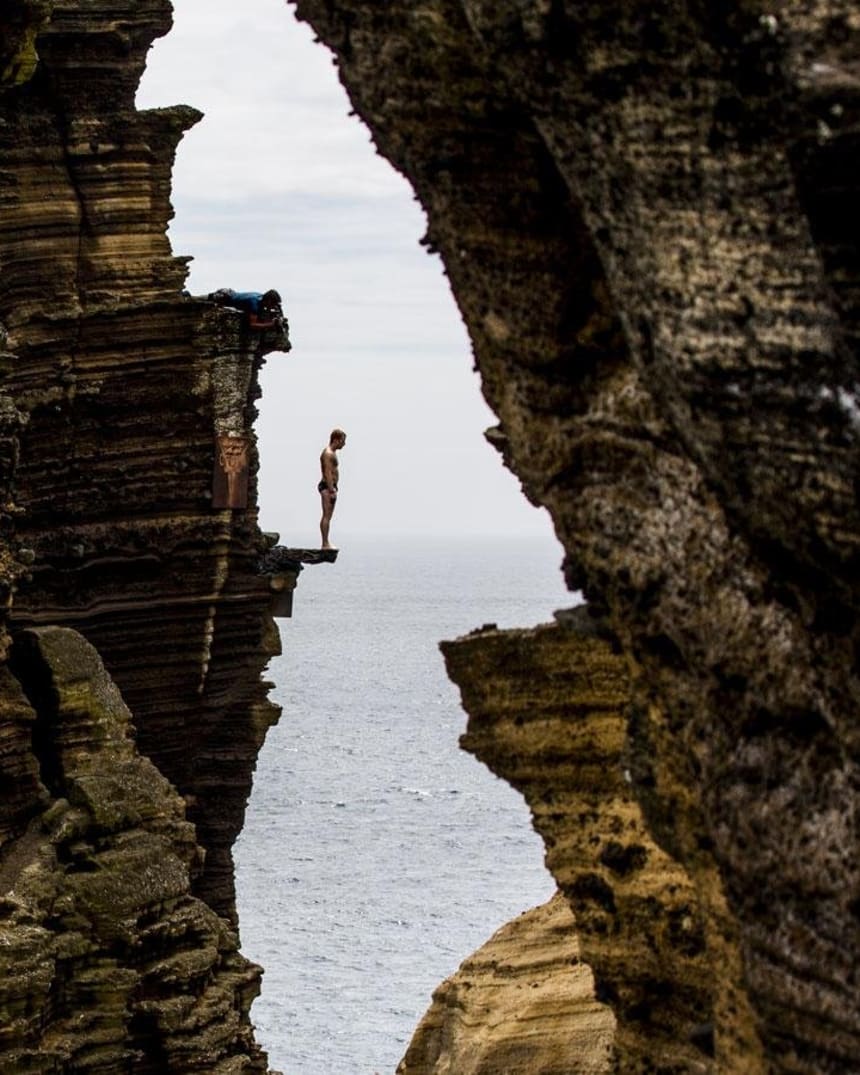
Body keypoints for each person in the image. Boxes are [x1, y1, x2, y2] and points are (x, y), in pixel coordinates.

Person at [318, 428, 346, 549]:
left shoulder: (331, 453)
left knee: (328, 516)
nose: (344, 444)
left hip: (331, 486)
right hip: (327, 487)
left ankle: (326, 542)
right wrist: (331, 490)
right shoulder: (328, 453)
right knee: (326, 516)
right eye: (342, 441)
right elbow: (328, 472)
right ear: (336, 440)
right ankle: (325, 543)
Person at [208, 288, 284, 329]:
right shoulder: (254, 305)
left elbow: (265, 307)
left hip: (229, 293)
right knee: (202, 301)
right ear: (269, 301)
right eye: (273, 304)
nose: (273, 307)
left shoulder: (261, 297)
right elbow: (252, 324)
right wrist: (270, 324)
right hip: (223, 297)